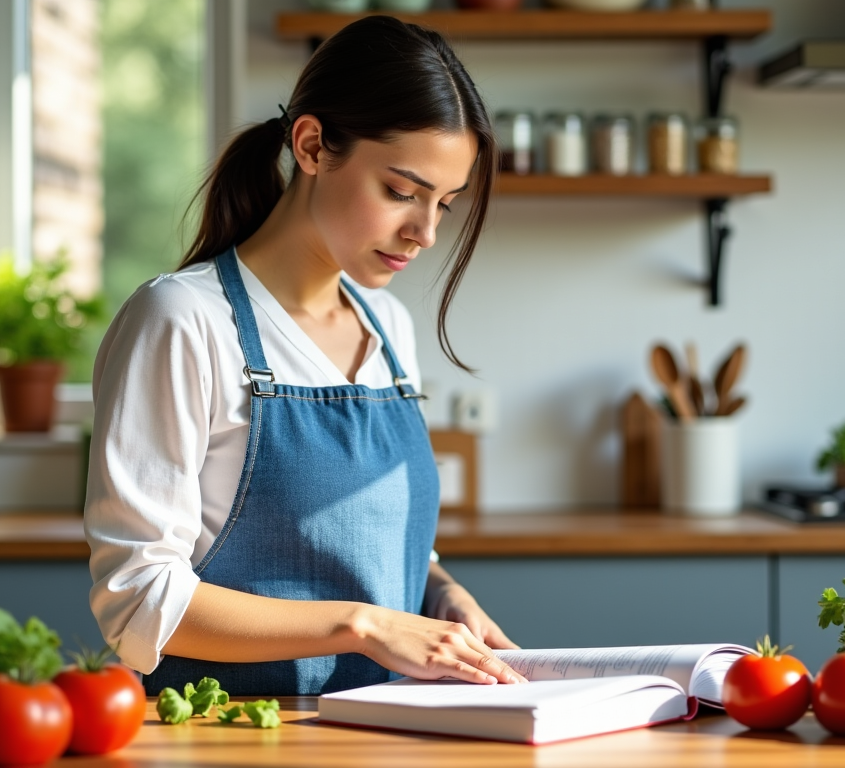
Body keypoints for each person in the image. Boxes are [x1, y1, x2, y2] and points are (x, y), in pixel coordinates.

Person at [83, 16, 527, 696]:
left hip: (387, 729)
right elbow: (140, 600)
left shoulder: (389, 326)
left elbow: (364, 546)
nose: (426, 232)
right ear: (314, 145)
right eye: (402, 192)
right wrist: (366, 626)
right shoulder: (184, 320)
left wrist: (441, 595)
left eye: (444, 203)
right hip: (228, 733)